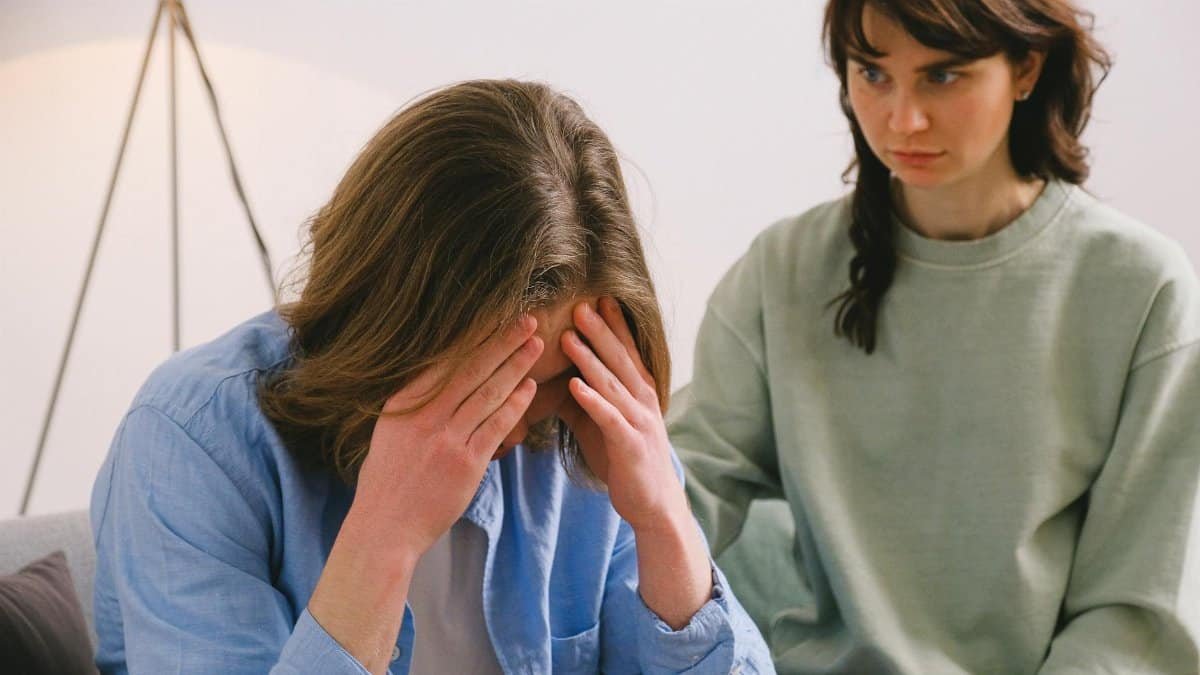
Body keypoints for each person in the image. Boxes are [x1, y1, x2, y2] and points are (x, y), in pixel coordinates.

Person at [90, 79, 771, 674]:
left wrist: (665, 521)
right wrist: (386, 531)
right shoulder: (191, 441)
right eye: (491, 380)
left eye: (550, 380)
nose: (517, 424)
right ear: (388, 323)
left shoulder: (589, 431)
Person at [668, 1, 1200, 673]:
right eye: (873, 74)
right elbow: (679, 495)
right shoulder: (784, 270)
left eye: (943, 76)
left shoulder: (1142, 290)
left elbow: (1132, 615)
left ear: (1026, 68)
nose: (904, 120)